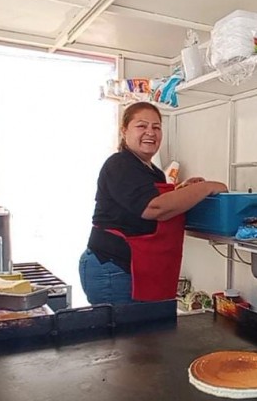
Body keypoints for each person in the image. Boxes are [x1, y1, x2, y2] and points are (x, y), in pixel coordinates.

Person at [79, 102, 227, 304]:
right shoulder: (120, 164)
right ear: (124, 131)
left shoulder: (153, 171)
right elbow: (153, 207)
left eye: (156, 127)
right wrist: (206, 187)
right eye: (141, 126)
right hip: (114, 268)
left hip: (138, 268)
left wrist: (181, 191)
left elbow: (147, 199)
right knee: (124, 335)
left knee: (142, 334)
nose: (150, 132)